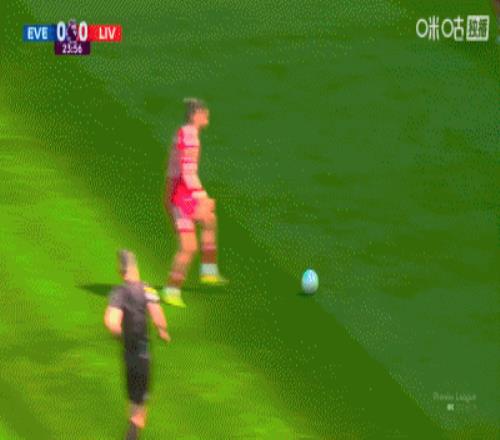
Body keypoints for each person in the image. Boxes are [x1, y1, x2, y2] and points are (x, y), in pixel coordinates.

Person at [162, 98, 227, 308]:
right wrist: (201, 196)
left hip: (180, 194)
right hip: (181, 197)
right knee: (189, 247)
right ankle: (171, 290)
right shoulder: (189, 136)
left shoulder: (186, 133)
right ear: (194, 115)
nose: (207, 115)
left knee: (209, 219)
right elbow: (187, 172)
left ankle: (208, 271)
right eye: (204, 112)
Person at [104, 250, 170, 440]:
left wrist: (119, 334)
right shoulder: (147, 289)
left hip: (128, 354)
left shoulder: (118, 292)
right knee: (140, 410)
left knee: (133, 401)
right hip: (143, 354)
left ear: (121, 271)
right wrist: (163, 331)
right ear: (135, 267)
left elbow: (111, 321)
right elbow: (157, 315)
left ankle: (132, 430)